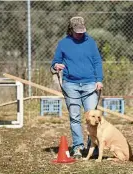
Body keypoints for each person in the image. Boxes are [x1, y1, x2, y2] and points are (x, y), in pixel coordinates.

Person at [51, 16, 103, 159]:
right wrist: (56, 66)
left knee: (92, 117)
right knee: (75, 117)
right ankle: (78, 147)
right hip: (71, 85)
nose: (80, 34)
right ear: (71, 30)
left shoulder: (90, 42)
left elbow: (97, 62)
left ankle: (93, 146)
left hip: (90, 84)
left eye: (82, 31)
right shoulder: (63, 43)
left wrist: (99, 80)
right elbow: (55, 62)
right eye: (77, 31)